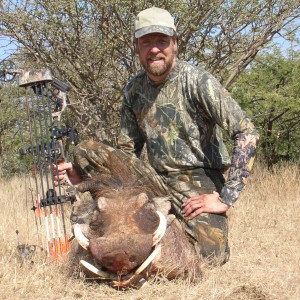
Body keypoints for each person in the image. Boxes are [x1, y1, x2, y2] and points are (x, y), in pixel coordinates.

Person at [54, 7, 259, 264]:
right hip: (150, 177)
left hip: (198, 179)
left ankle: (166, 236)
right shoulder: (133, 89)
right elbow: (126, 154)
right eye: (146, 42)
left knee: (212, 256)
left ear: (175, 44)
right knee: (86, 150)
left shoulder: (199, 81)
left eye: (161, 41)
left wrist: (226, 198)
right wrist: (83, 175)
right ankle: (113, 225)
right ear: (137, 47)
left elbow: (247, 131)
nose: (154, 49)